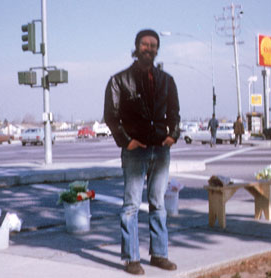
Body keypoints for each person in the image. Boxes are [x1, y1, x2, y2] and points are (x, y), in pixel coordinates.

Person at [104, 29, 180, 275]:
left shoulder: (167, 80)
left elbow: (175, 113)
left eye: (153, 45)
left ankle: (159, 254)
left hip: (160, 150)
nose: (149, 48)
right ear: (136, 47)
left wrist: (173, 136)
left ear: (158, 49)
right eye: (145, 44)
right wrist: (127, 142)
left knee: (158, 204)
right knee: (131, 206)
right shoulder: (119, 80)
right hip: (135, 151)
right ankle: (131, 258)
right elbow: (111, 116)